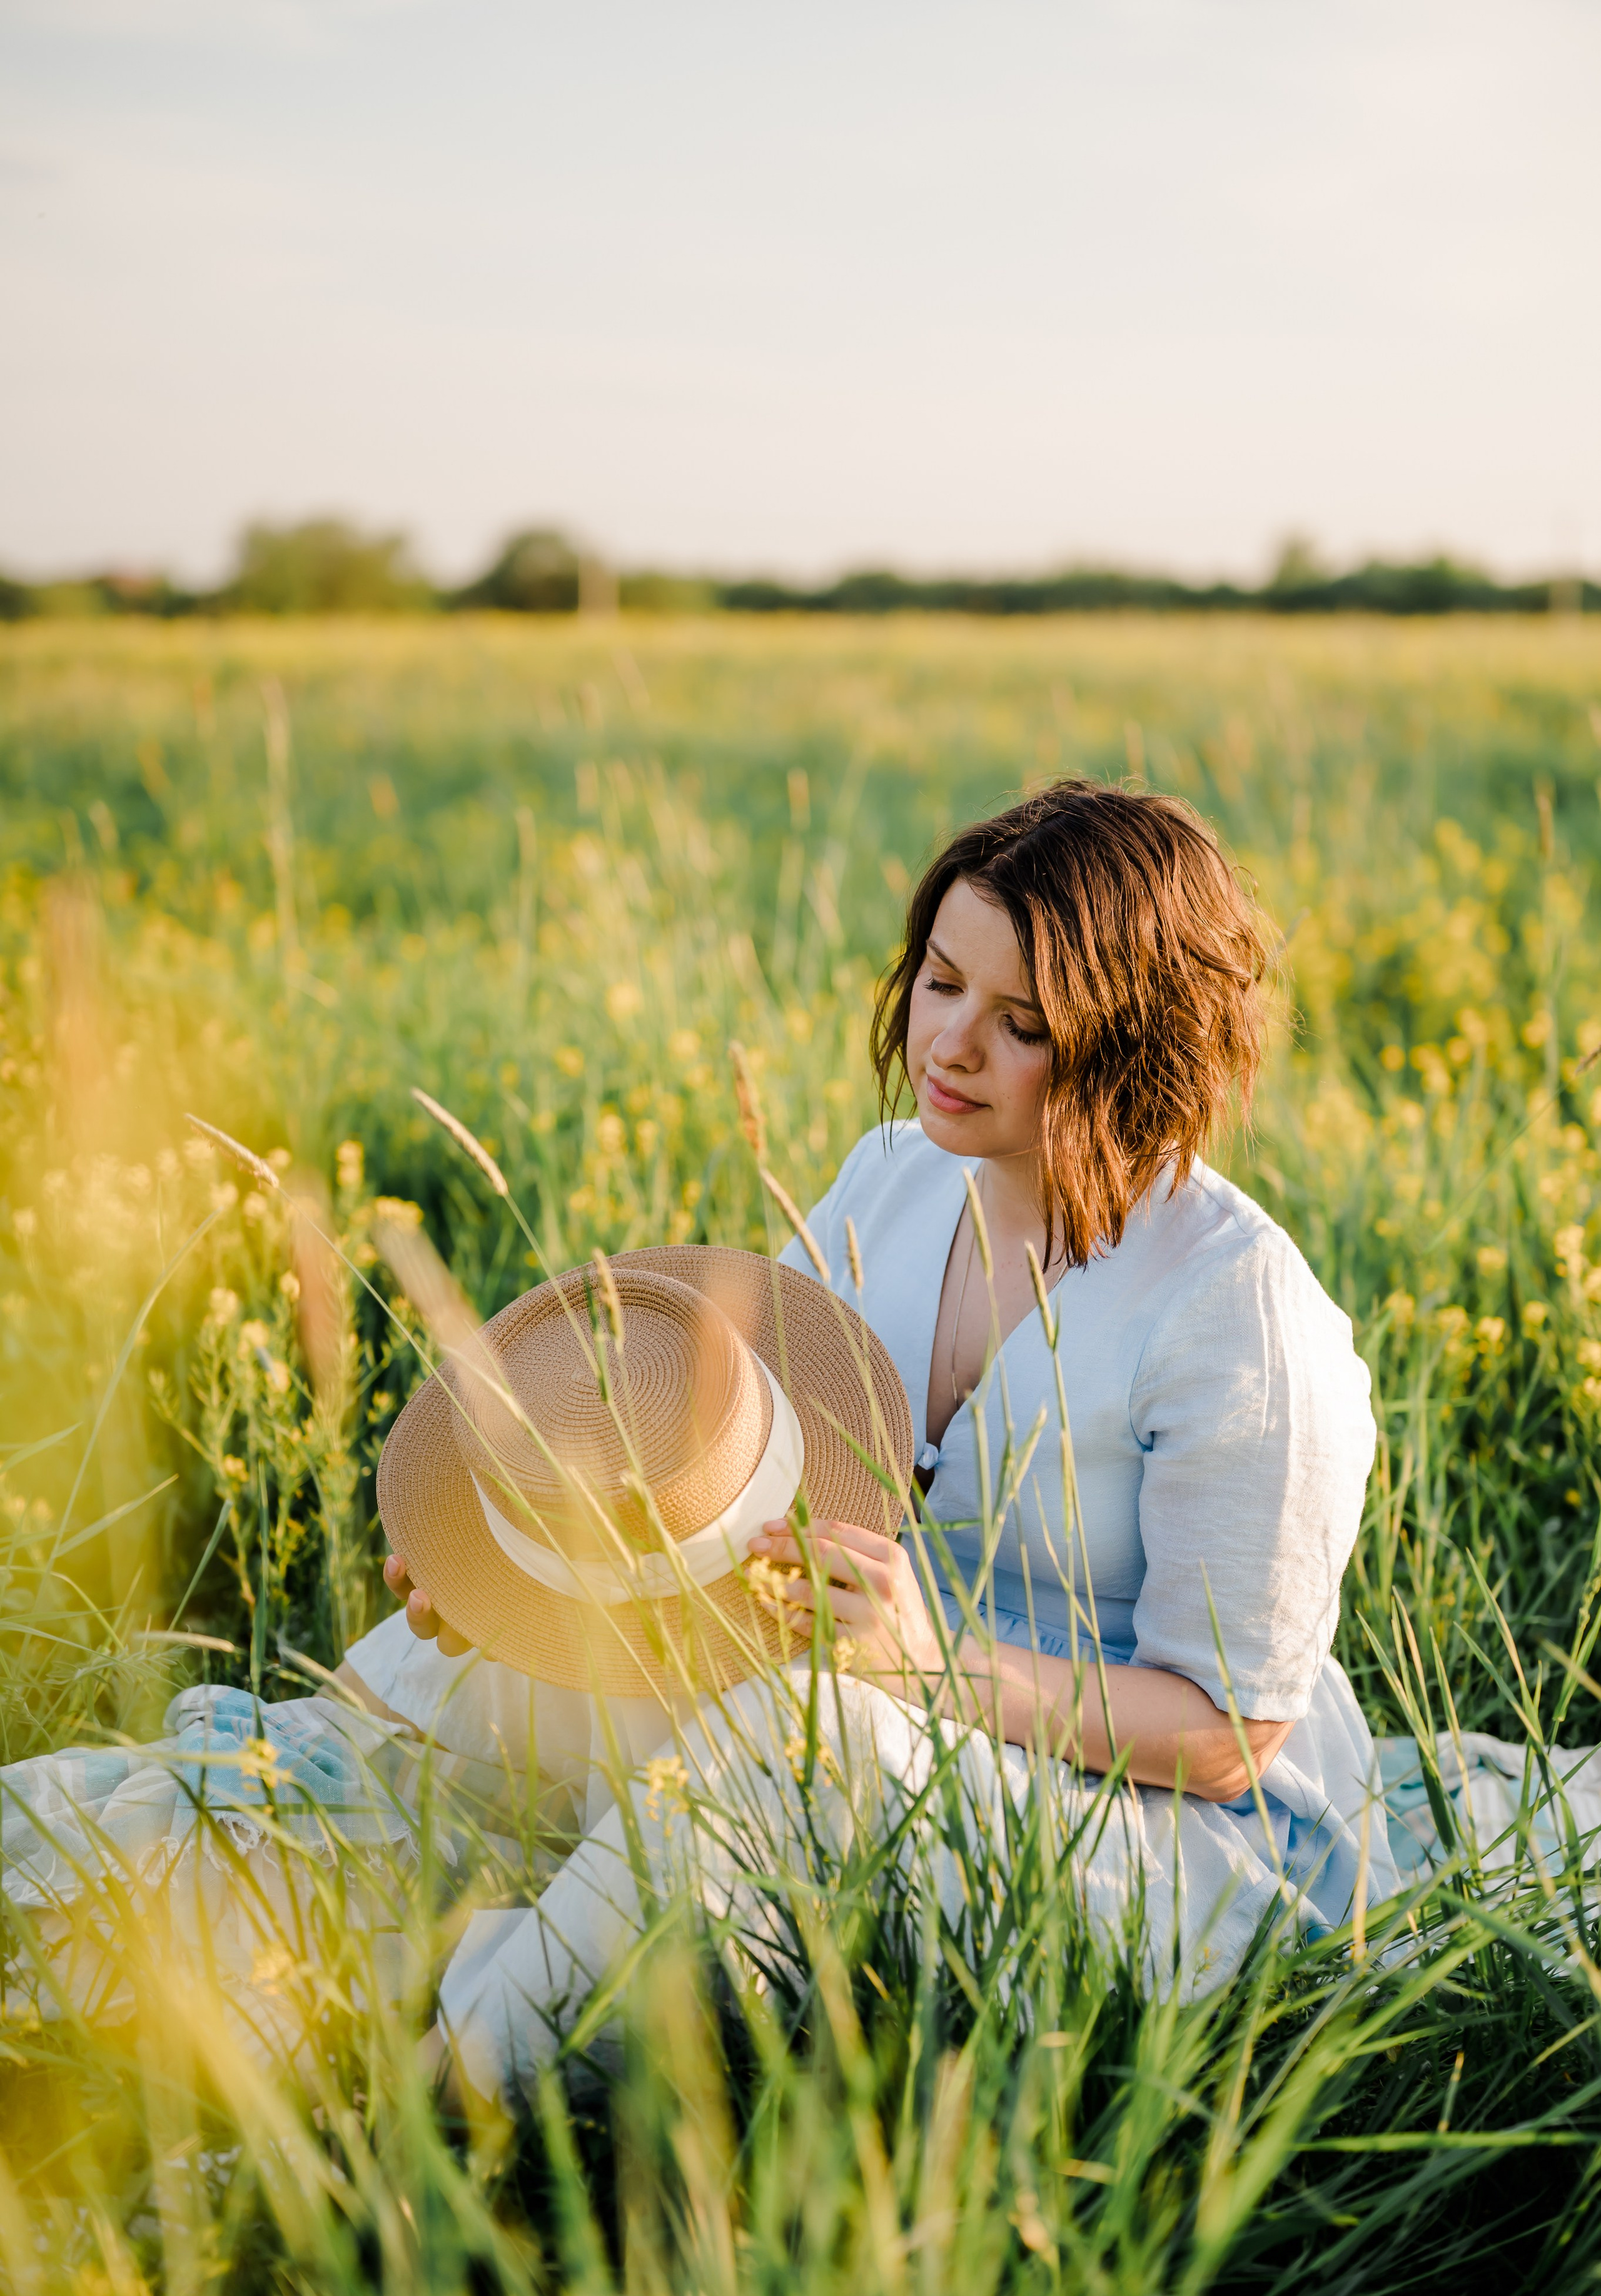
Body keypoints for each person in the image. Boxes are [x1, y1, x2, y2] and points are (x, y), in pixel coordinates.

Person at [368, 782, 1396, 2105]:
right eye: (938, 981)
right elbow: (762, 1490)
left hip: (1174, 1839)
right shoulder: (892, 1177)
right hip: (885, 1699)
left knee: (786, 1747)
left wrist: (929, 1663)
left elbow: (1226, 1736)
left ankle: (442, 2106)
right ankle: (264, 1943)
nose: (950, 1044)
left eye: (1021, 1024)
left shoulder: (1235, 1310)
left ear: (1137, 1045)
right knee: (470, 1671)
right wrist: (532, 1581)